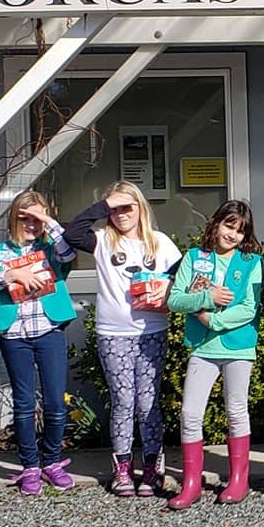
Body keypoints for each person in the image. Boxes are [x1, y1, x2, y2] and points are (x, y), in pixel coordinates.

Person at [64, 181, 182, 497]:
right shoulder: (103, 240)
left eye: (127, 206)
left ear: (141, 208)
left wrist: (167, 292)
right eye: (114, 209)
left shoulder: (160, 242)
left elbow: (182, 277)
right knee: (123, 400)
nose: (121, 214)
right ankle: (123, 469)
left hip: (151, 332)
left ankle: (153, 467)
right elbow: (72, 232)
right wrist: (105, 205)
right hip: (113, 334)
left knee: (148, 401)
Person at [0, 191, 78, 496]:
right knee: (23, 404)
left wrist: (48, 221)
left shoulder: (51, 248)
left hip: (49, 331)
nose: (32, 224)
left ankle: (52, 462)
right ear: (14, 219)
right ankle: (30, 466)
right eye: (26, 218)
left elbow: (68, 255)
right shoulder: (1, 251)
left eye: (37, 218)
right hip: (15, 335)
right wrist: (11, 273)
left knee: (55, 402)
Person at [164, 200, 264, 510]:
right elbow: (175, 300)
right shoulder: (195, 257)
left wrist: (213, 321)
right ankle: (191, 483)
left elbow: (250, 308)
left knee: (236, 411)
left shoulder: (251, 261)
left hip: (238, 347)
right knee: (190, 414)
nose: (232, 235)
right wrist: (208, 298)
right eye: (228, 226)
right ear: (216, 224)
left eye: (240, 231)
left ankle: (239, 480)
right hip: (202, 348)